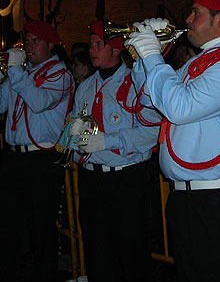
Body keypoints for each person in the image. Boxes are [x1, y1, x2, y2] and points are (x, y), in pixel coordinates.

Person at [126, 0, 220, 282]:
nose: (187, 19)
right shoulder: (198, 63)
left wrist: (153, 56)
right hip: (189, 198)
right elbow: (149, 105)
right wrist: (142, 57)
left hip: (218, 200)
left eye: (195, 12)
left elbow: (178, 107)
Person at [68, 20, 161, 282]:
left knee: (132, 255)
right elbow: (76, 123)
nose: (93, 50)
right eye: (91, 44)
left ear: (117, 49)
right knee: (97, 254)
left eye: (99, 44)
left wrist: (106, 141)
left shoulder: (136, 83)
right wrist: (73, 145)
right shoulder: (85, 86)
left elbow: (151, 132)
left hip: (126, 179)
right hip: (91, 178)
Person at [0, 21, 74, 282]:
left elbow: (37, 103)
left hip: (42, 159)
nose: (28, 46)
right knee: (5, 227)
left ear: (50, 45)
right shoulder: (20, 73)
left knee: (41, 229)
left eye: (35, 41)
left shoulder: (60, 74)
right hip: (14, 156)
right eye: (27, 40)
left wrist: (14, 71)